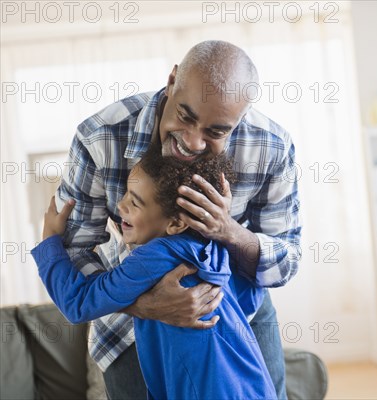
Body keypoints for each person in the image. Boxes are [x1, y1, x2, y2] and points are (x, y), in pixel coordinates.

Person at [58, 40, 301, 399]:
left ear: (241, 117)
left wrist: (229, 231)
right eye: (185, 117)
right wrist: (144, 303)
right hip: (128, 323)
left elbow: (287, 262)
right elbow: (74, 249)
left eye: (216, 132)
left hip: (238, 317)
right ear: (172, 81)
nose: (192, 142)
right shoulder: (100, 138)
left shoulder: (271, 147)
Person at [34, 149, 276, 399]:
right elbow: (251, 297)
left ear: (175, 224)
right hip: (254, 386)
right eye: (126, 193)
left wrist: (49, 241)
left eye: (134, 202)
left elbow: (78, 303)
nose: (120, 205)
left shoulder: (155, 256)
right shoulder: (216, 250)